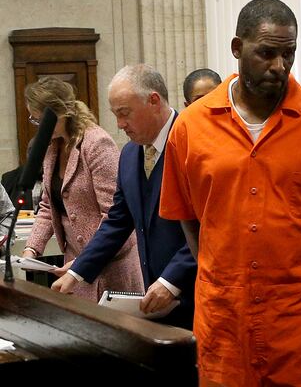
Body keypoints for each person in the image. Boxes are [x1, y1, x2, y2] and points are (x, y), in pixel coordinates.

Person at [159, 0, 301, 386]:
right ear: (237, 48)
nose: (279, 66)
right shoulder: (190, 127)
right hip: (228, 319)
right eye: (267, 53)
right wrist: (219, 268)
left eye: (288, 54)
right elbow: (187, 215)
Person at [51, 64, 197, 329]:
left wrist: (171, 281)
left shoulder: (194, 142)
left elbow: (208, 226)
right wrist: (77, 271)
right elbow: (118, 221)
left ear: (154, 101)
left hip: (197, 295)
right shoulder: (130, 154)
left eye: (124, 113)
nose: (119, 125)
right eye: (115, 114)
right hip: (155, 301)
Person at [21, 77, 144, 302]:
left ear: (60, 113)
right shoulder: (52, 146)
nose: (37, 126)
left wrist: (82, 263)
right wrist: (31, 250)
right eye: (34, 120)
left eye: (39, 120)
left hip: (109, 267)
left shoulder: (96, 144)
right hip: (74, 266)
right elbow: (48, 206)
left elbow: (116, 215)